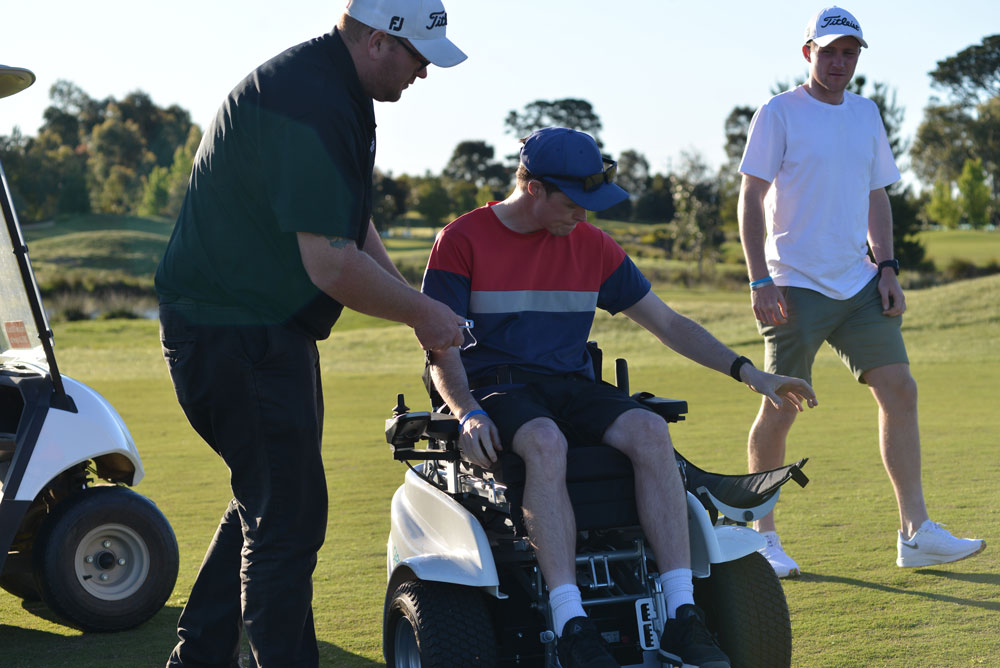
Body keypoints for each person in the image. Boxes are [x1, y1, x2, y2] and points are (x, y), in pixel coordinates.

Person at [422, 127, 818, 668]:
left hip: (571, 384)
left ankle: (681, 615)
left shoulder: (593, 245)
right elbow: (440, 349)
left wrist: (750, 373)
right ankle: (571, 623)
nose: (583, 216)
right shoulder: (461, 239)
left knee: (651, 431)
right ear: (533, 188)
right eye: (572, 203)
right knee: (544, 440)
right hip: (497, 385)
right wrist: (466, 412)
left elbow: (668, 323)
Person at [154, 1, 468, 666]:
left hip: (247, 329)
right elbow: (329, 264)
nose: (423, 72)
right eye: (418, 56)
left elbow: (349, 223)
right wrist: (423, 314)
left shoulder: (329, 86)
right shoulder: (314, 99)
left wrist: (414, 303)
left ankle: (197, 657)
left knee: (267, 500)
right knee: (288, 521)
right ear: (380, 40)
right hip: (237, 333)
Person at [737, 6, 985, 579]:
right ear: (808, 53)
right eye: (829, 52)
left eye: (849, 53)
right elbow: (751, 197)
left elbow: (877, 195)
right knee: (781, 404)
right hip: (793, 284)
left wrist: (888, 267)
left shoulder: (866, 113)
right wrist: (759, 278)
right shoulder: (778, 112)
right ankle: (761, 537)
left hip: (859, 282)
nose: (840, 62)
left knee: (900, 388)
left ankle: (915, 533)